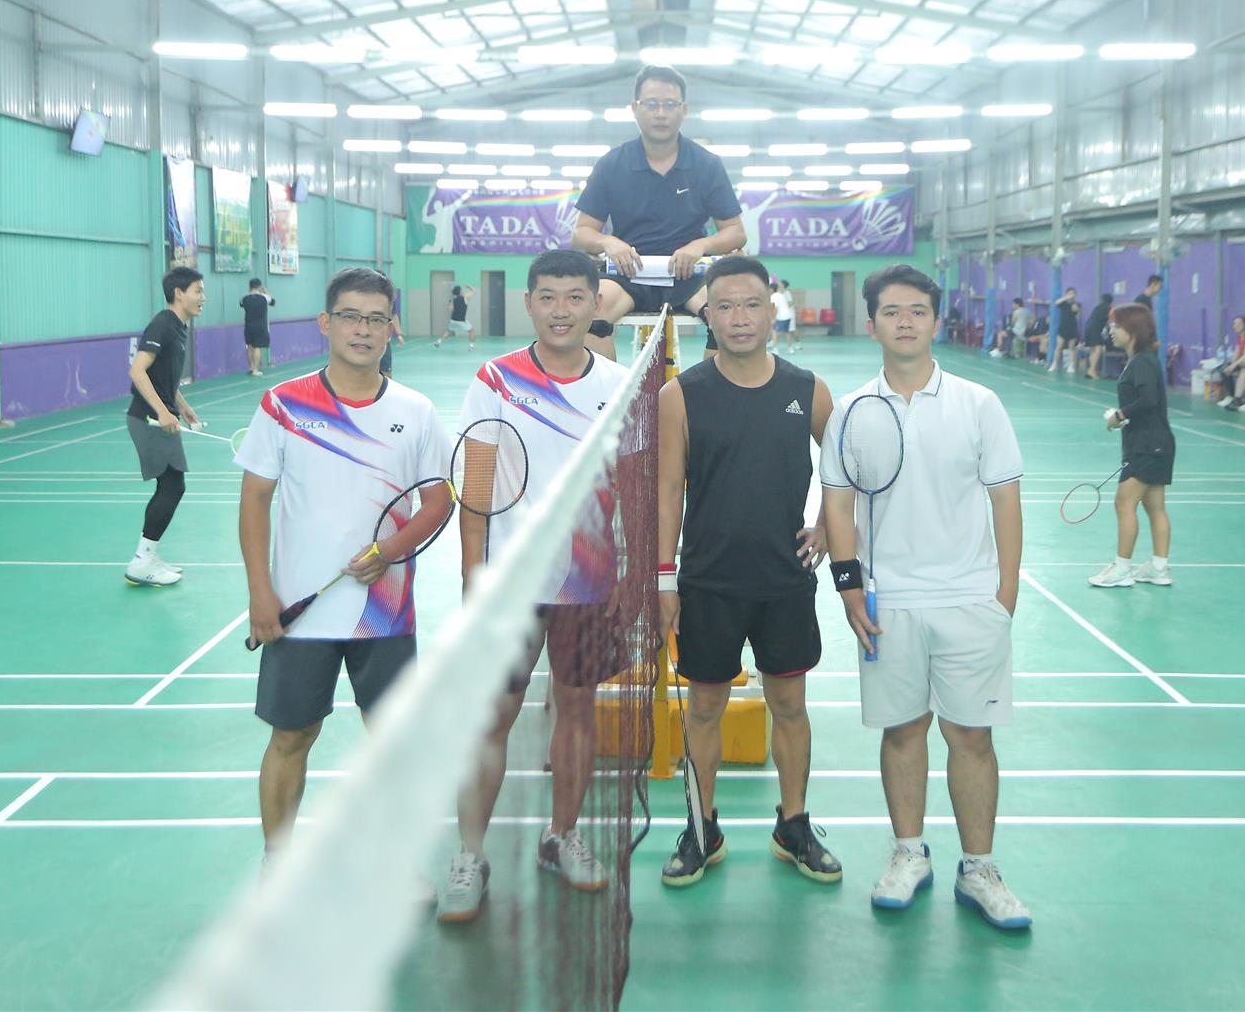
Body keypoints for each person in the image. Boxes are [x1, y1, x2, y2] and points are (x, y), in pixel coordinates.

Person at [819, 264, 1031, 930]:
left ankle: (979, 868)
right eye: (891, 311)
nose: (905, 321)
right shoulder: (852, 410)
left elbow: (1006, 501)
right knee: (903, 729)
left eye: (917, 310)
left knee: (972, 735)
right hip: (890, 601)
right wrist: (850, 588)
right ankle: (909, 852)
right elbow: (837, 504)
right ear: (872, 324)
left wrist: (1004, 596)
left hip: (970, 598)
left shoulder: (979, 403)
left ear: (936, 321)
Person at [440, 250, 633, 921]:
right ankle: (470, 854)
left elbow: (633, 487)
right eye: (547, 296)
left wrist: (629, 573)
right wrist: (473, 576)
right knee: (492, 716)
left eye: (575, 296)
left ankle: (562, 835)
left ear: (595, 304)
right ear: (529, 303)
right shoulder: (495, 379)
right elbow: (477, 483)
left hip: (589, 581)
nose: (561, 310)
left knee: (576, 710)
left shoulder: (619, 384)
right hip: (512, 581)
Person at [237, 268, 450, 862]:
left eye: (376, 319)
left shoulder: (416, 411)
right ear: (326, 323)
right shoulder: (284, 404)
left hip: (385, 613)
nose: (363, 329)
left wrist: (389, 551)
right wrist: (260, 594)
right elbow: (254, 500)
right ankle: (278, 864)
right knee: (292, 736)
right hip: (298, 612)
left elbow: (439, 501)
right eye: (351, 317)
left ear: (391, 328)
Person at [656, 255, 836, 888]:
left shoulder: (808, 390)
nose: (739, 317)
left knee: (790, 704)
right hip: (708, 582)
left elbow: (846, 468)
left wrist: (828, 525)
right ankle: (702, 827)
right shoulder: (680, 396)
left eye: (751, 304)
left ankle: (794, 825)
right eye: (725, 306)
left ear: (771, 311)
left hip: (785, 580)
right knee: (704, 707)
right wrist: (664, 579)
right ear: (707, 315)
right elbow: (667, 492)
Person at [571, 66, 746, 361]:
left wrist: (700, 246)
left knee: (728, 317)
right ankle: (607, 391)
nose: (661, 113)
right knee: (588, 315)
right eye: (651, 104)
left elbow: (736, 232)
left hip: (689, 275)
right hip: (629, 274)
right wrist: (608, 242)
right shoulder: (611, 165)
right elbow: (581, 232)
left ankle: (712, 391)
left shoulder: (707, 165)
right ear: (635, 108)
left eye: (670, 104)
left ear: (684, 110)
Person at [123, 266, 205, 587]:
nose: (203, 297)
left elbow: (163, 377)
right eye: (198, 291)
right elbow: (137, 371)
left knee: (170, 486)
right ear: (179, 293)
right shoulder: (163, 324)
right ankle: (142, 561)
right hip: (149, 419)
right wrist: (162, 411)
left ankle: (147, 556)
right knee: (172, 487)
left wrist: (182, 407)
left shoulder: (177, 327)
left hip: (160, 418)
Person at [1089, 303, 1175, 588]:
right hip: (1157, 443)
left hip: (1147, 446)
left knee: (1123, 502)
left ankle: (1122, 568)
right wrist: (1124, 417)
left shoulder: (1141, 362)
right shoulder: (1144, 360)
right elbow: (1147, 403)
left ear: (1132, 330)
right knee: (1155, 507)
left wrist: (1120, 415)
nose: (1111, 331)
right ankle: (1159, 569)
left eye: (1116, 326)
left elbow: (1148, 399)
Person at [241, 277, 277, 377]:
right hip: (260, 325)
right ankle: (255, 370)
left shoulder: (244, 298)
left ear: (250, 286)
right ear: (259, 287)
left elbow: (241, 304)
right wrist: (266, 291)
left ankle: (251, 367)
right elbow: (273, 302)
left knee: (249, 346)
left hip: (248, 325)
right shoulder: (264, 297)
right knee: (257, 347)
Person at [1049, 287, 1081, 374]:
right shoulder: (1063, 303)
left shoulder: (1076, 304)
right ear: (1066, 294)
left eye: (1073, 293)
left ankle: (1071, 366)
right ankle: (1054, 364)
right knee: (1059, 347)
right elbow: (1056, 302)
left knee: (1071, 348)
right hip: (1063, 327)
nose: (1071, 295)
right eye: (1070, 293)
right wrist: (1067, 297)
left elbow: (1078, 314)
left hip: (1072, 327)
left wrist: (1076, 308)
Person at [1081, 293, 1114, 378]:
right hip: (1095, 329)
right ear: (1110, 301)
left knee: (1092, 350)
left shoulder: (1097, 307)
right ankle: (1092, 371)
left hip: (1087, 328)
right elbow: (1111, 321)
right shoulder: (1109, 308)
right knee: (1098, 349)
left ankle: (1090, 370)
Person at [771, 279, 799, 353]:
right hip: (788, 315)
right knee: (787, 332)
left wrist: (773, 319)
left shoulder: (773, 296)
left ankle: (775, 349)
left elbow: (774, 309)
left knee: (774, 331)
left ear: (772, 289)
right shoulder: (781, 295)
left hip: (781, 316)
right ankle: (790, 348)